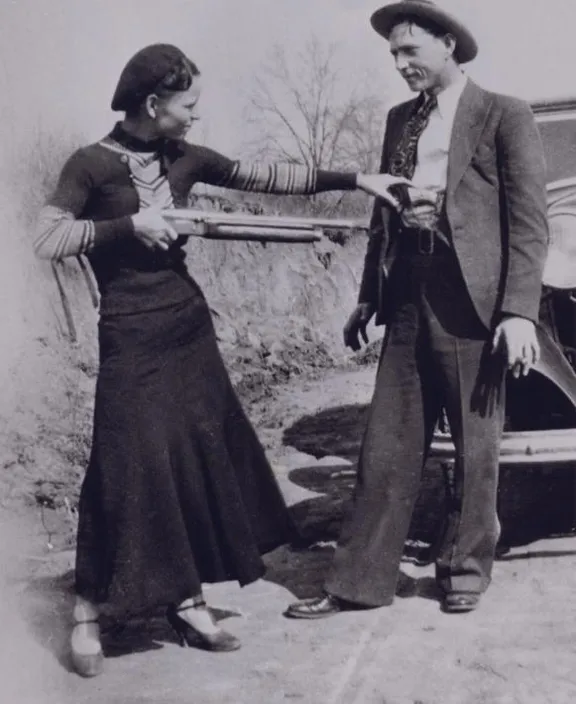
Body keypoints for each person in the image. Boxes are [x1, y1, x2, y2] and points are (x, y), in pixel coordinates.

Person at [33, 43, 408, 677]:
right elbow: (46, 237)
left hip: (187, 328)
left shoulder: (185, 158)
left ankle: (186, 598)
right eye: (189, 105)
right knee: (125, 463)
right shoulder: (89, 165)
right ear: (153, 104)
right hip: (129, 333)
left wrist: (357, 180)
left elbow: (265, 175)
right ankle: (88, 612)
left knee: (194, 458)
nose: (196, 117)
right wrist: (128, 228)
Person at [286, 0, 549, 620]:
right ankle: (358, 581)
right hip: (408, 290)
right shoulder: (399, 120)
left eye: (410, 51)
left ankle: (464, 569)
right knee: (387, 442)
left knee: (474, 441)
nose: (400, 65)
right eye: (393, 56)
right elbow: (385, 212)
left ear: (449, 45)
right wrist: (367, 297)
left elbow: (529, 223)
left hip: (473, 303)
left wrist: (518, 311)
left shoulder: (503, 115)